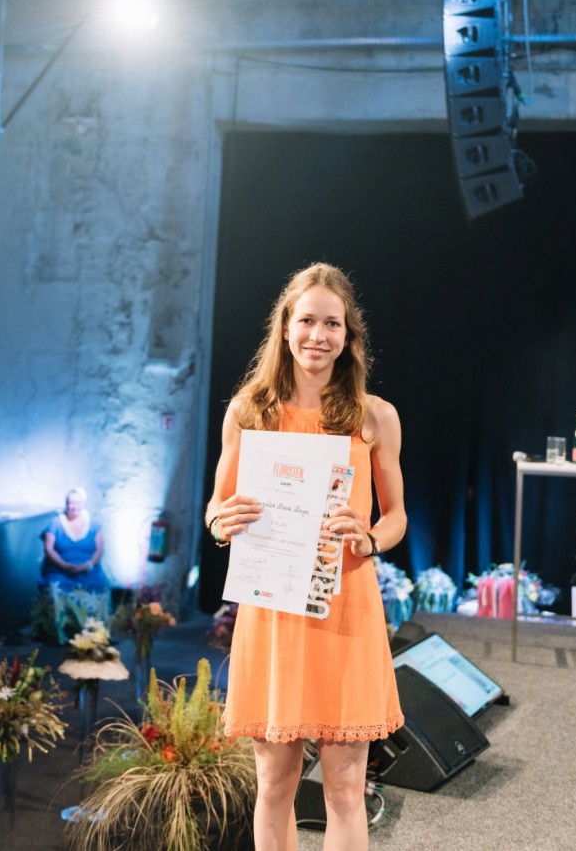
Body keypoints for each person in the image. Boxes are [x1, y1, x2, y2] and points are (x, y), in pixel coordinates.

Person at [205, 262, 407, 851]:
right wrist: (222, 523)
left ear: (349, 335)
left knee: (345, 789)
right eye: (307, 321)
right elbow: (217, 506)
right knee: (274, 784)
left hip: (346, 611)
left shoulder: (375, 415)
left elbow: (396, 516)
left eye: (332, 324)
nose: (318, 335)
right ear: (285, 326)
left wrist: (370, 538)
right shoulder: (248, 411)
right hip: (273, 614)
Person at [40, 487, 108, 593]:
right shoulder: (55, 523)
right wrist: (64, 565)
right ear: (66, 504)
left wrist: (87, 565)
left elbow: (100, 549)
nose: (74, 507)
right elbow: (48, 549)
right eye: (71, 503)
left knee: (98, 588)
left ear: (83, 504)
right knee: (55, 591)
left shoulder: (94, 525)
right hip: (59, 573)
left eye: (78, 503)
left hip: (89, 574)